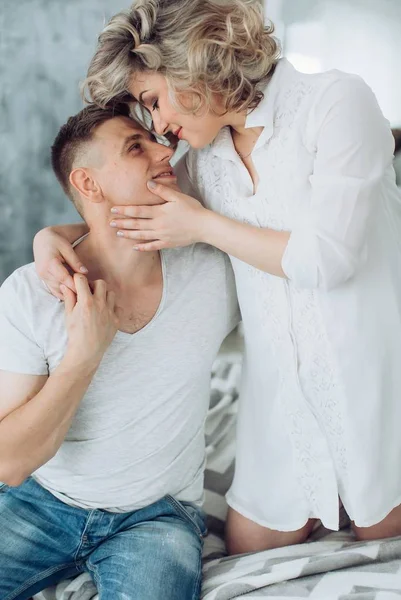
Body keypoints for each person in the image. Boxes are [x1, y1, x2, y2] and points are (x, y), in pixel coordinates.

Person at [34, 0, 401, 556]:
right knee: (247, 548)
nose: (157, 126)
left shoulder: (336, 102)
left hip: (373, 382)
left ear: (193, 61)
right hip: (280, 400)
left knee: (383, 528)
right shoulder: (207, 157)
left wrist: (203, 223)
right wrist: (50, 238)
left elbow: (329, 260)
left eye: (153, 100)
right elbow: (120, 213)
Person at [0, 103, 239, 600]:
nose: (165, 149)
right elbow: (9, 462)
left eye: (154, 139)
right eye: (136, 147)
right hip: (40, 502)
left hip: (157, 517)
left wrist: (51, 234)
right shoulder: (31, 294)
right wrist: (83, 357)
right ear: (89, 185)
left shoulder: (213, 269)